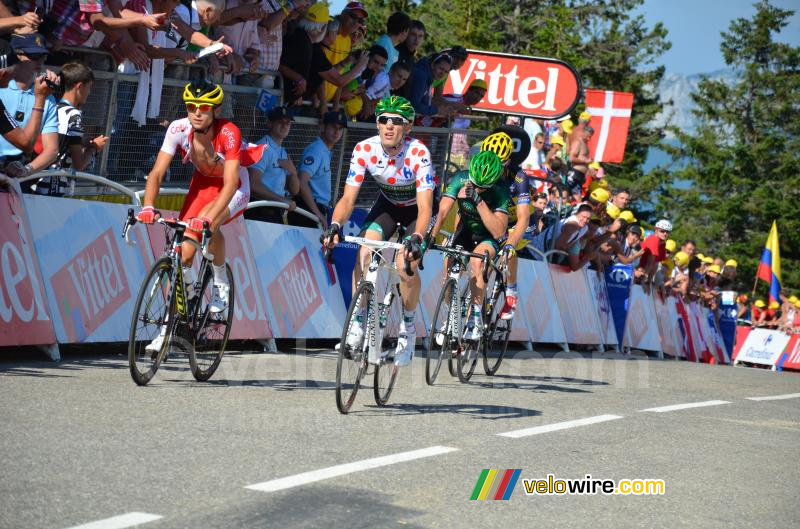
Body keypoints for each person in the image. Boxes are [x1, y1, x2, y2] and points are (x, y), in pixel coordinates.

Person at [136, 81, 266, 353]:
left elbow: (230, 182)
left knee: (208, 224)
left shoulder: (228, 132)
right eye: (191, 107)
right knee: (181, 255)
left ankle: (220, 283)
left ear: (215, 109)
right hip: (202, 184)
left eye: (204, 108)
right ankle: (169, 327)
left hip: (233, 187)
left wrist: (208, 219)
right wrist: (148, 205)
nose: (196, 113)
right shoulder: (178, 128)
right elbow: (157, 173)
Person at [322, 96, 434, 367]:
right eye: (383, 119)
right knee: (364, 251)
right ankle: (357, 324)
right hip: (387, 205)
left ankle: (407, 330)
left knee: (405, 264)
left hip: (416, 212)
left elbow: (425, 208)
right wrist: (335, 224)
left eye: (397, 121)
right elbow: (348, 199)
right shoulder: (364, 149)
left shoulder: (418, 153)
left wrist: (417, 237)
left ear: (407, 128)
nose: (389, 125)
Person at [430, 151, 509, 339]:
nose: (476, 188)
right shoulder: (461, 178)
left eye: (482, 187)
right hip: (465, 231)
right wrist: (430, 236)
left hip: (488, 237)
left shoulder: (501, 191)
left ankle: (474, 317)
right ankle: (450, 315)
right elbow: (442, 211)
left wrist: (479, 202)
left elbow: (499, 231)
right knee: (449, 264)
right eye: (474, 184)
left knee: (477, 262)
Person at [473, 132, 531, 321]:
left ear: (506, 163)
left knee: (510, 249)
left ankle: (511, 291)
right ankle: (473, 319)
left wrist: (510, 244)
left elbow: (523, 218)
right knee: (482, 267)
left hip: (516, 221)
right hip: (496, 218)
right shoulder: (481, 168)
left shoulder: (519, 177)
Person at [33, 62, 109, 196]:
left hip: (34, 181)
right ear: (79, 86)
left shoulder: (52, 107)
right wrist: (94, 148)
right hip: (53, 185)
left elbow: (62, 141)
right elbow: (78, 163)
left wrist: (85, 142)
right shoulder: (74, 115)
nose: (89, 92)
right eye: (89, 87)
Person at [0, 34, 60, 188]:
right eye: (34, 55)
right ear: (16, 55)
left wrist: (26, 170)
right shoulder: (3, 87)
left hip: (14, 177)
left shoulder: (48, 97)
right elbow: (26, 143)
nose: (40, 60)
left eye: (43, 55)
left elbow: (51, 150)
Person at [291, 109, 347, 229]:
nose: (337, 132)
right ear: (323, 127)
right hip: (308, 212)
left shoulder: (324, 150)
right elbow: (302, 181)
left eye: (340, 128)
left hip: (314, 210)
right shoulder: (317, 150)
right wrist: (317, 213)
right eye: (333, 127)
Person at [245, 105, 298, 224]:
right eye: (280, 122)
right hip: (259, 211)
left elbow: (294, 191)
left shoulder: (283, 152)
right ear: (269, 124)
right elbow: (253, 185)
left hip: (276, 211)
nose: (284, 125)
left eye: (288, 122)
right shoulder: (262, 148)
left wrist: (293, 173)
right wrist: (282, 200)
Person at [638, 219, 672, 286]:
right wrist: (644, 281)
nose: (665, 234)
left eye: (667, 232)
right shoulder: (654, 239)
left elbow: (655, 262)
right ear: (656, 230)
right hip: (638, 267)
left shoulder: (662, 243)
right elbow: (650, 262)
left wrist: (649, 282)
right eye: (662, 231)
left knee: (657, 264)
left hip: (643, 268)